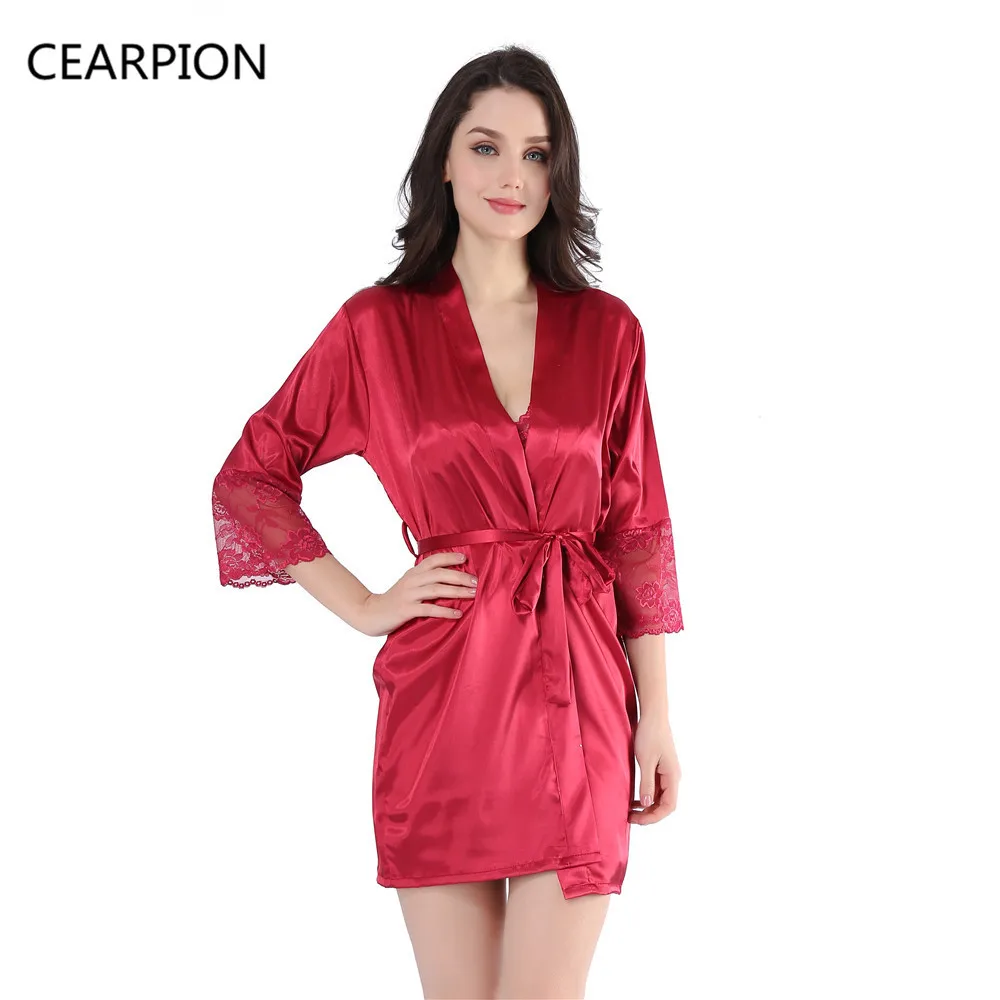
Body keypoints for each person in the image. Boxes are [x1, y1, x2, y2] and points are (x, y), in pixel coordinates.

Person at [212, 44, 685, 1000]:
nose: (513, 176)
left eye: (538, 155)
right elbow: (252, 476)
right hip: (444, 698)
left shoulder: (609, 331)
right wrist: (364, 605)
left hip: (580, 698)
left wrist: (659, 717)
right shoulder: (375, 327)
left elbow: (638, 534)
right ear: (443, 160)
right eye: (486, 147)